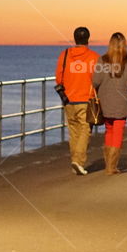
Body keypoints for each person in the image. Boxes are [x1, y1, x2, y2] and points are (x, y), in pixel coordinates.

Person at [92, 32, 127, 175]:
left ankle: (109, 164)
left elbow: (95, 81)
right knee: (118, 132)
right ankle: (111, 167)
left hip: (105, 102)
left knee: (109, 130)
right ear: (124, 45)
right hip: (121, 103)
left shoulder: (102, 60)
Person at [55, 26, 100, 176]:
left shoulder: (65, 55)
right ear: (88, 39)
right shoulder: (94, 57)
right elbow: (98, 79)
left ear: (75, 39)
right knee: (85, 130)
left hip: (68, 99)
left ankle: (75, 161)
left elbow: (58, 77)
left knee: (73, 132)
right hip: (86, 99)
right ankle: (79, 162)